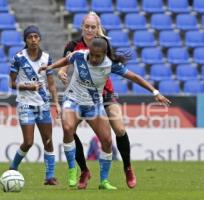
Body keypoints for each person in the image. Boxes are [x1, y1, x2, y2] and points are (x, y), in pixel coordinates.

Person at [39, 37, 171, 190]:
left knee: (107, 140)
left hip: (94, 105)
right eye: (92, 55)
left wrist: (155, 92)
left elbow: (134, 77)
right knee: (67, 128)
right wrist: (50, 67)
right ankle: (72, 170)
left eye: (98, 56)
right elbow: (66, 60)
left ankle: (104, 181)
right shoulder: (80, 55)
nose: (94, 58)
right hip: (73, 100)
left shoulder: (110, 64)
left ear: (104, 54)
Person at [59, 11, 136, 189]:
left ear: (98, 28)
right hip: (80, 95)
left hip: (105, 93)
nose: (90, 30)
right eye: (87, 27)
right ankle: (84, 170)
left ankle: (128, 168)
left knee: (119, 129)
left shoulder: (103, 44)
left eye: (93, 27)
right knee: (69, 129)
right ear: (82, 28)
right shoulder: (73, 45)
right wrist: (62, 72)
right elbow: (65, 65)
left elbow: (113, 65)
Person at [8, 25, 60, 185]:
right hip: (25, 104)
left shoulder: (46, 57)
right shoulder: (18, 57)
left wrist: (56, 102)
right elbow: (11, 83)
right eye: (30, 37)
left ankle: (49, 177)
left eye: (36, 37)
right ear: (25, 40)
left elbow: (51, 83)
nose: (33, 40)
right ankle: (13, 168)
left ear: (40, 39)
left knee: (48, 141)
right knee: (28, 142)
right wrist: (27, 87)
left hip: (43, 105)